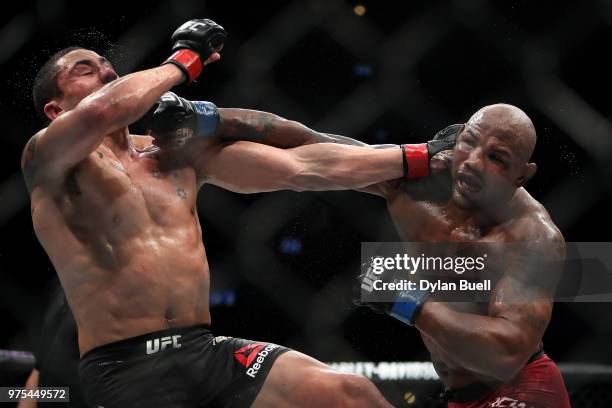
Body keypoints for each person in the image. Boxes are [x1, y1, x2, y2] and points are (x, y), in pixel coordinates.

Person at [20, 17, 427, 407]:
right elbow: (100, 112)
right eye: (85, 70)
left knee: (350, 394)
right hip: (127, 367)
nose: (106, 72)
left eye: (108, 65)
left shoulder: (170, 152)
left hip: (204, 350)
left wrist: (418, 158)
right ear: (55, 111)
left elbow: (301, 167)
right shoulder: (47, 159)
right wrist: (183, 61)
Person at [198, 103, 571, 407]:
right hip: (456, 395)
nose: (473, 161)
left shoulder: (533, 239)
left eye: (496, 158)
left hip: (522, 389)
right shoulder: (411, 183)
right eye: (468, 142)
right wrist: (206, 117)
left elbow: (505, 354)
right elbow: (308, 143)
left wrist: (409, 303)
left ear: (522, 175)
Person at [17, 281, 87, 408]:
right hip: (51, 392)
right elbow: (43, 359)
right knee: (5, 394)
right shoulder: (59, 289)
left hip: (79, 397)